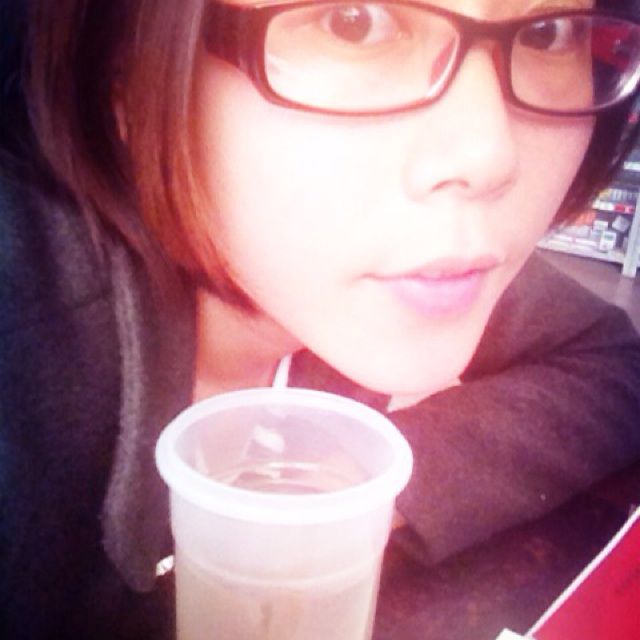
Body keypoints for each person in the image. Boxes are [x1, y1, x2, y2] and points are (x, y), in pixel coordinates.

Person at [2, 0, 640, 638]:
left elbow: (613, 364)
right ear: (130, 79)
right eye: (354, 22)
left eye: (548, 33)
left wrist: (356, 491)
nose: (490, 157)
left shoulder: (399, 263)